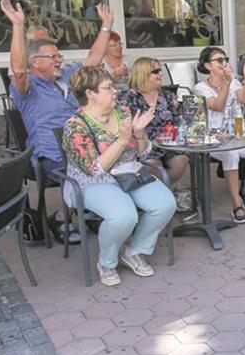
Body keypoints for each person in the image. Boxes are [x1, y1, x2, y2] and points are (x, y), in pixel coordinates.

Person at [61, 66, 175, 286]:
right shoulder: (75, 126)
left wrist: (140, 134)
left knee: (166, 203)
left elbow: (143, 153)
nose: (115, 91)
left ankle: (135, 251)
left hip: (129, 173)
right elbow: (94, 168)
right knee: (124, 215)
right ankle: (107, 262)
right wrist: (122, 140)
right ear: (89, 93)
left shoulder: (121, 112)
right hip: (91, 182)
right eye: (107, 87)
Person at [0, 0, 111, 179]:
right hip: (53, 157)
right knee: (96, 175)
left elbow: (93, 59)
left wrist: (106, 25)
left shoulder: (66, 75)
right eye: (53, 57)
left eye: (59, 56)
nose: (59, 60)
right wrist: (18, 26)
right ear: (35, 62)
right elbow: (19, 71)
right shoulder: (29, 87)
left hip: (85, 148)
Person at [193, 46, 245, 223]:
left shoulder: (233, 82)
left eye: (225, 59)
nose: (224, 63)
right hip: (213, 137)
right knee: (231, 155)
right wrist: (226, 82)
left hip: (236, 134)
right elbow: (218, 105)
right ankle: (236, 205)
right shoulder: (200, 88)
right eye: (219, 60)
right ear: (207, 65)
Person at [116, 58, 191, 211]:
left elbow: (178, 119)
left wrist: (174, 131)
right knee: (154, 167)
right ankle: (162, 200)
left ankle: (161, 195)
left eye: (160, 70)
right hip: (141, 145)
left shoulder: (167, 96)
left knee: (182, 161)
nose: (160, 74)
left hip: (167, 144)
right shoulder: (128, 97)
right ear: (143, 74)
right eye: (155, 71)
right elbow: (122, 126)